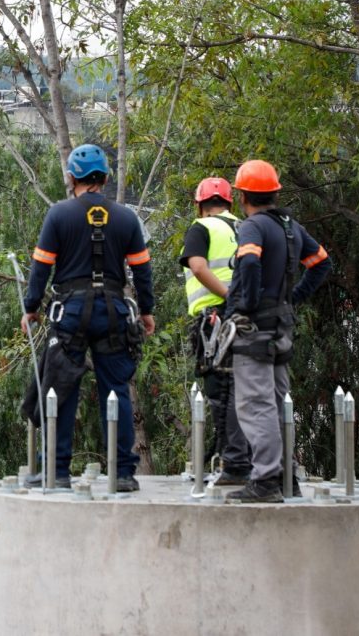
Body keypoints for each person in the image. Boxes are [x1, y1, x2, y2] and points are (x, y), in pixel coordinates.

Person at [20, 144, 155, 491]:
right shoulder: (126, 218)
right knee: (116, 390)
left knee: (62, 386)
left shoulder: (59, 215)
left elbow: (41, 267)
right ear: (106, 178)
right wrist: (147, 311)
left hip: (71, 311)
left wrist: (31, 307)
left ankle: (56, 471)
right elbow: (142, 270)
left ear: (71, 178)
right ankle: (122, 473)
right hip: (113, 311)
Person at [224, 160, 331, 503]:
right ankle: (286, 478)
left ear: (243, 195)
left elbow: (250, 262)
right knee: (277, 401)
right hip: (281, 326)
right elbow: (321, 263)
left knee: (256, 405)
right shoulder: (290, 227)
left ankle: (266, 481)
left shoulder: (253, 226)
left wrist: (248, 303)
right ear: (274, 193)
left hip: (256, 329)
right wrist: (292, 298)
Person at [179, 177, 251, 485]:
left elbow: (197, 267)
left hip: (216, 319)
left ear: (200, 205)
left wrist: (227, 296)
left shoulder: (202, 227)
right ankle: (246, 460)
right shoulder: (246, 227)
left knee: (220, 390)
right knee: (246, 389)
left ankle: (231, 463)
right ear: (230, 203)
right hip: (249, 318)